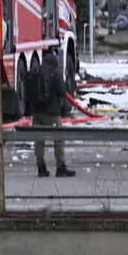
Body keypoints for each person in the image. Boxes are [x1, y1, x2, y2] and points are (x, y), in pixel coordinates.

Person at [32, 49, 75, 178]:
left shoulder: (36, 72)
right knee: (58, 138)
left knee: (39, 140)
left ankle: (41, 167)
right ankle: (61, 167)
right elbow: (62, 90)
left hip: (37, 112)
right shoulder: (55, 73)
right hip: (51, 113)